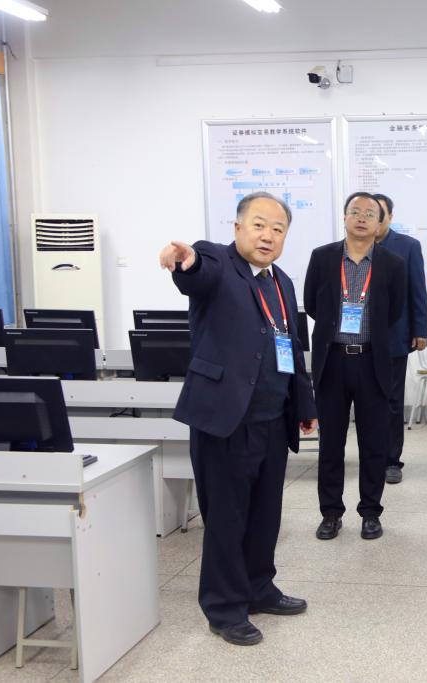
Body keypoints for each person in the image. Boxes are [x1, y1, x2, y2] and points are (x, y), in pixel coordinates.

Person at [158, 191, 317, 647]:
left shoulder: (282, 282)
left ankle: (259, 588)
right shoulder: (216, 261)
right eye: (259, 225)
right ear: (238, 228)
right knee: (227, 518)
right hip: (224, 418)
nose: (268, 236)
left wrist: (304, 405)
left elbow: (291, 348)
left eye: (278, 229)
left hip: (272, 418)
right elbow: (196, 273)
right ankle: (225, 608)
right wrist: (185, 262)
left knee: (266, 515)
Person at [304, 192, 406, 541]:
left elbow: (394, 311)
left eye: (369, 213)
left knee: (373, 443)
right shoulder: (322, 257)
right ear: (345, 217)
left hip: (371, 361)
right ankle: (331, 513)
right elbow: (312, 303)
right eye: (355, 211)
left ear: (380, 223)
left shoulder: (393, 264)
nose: (361, 218)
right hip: (332, 360)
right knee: (331, 444)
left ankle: (370, 512)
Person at [373, 193, 427, 485]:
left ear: (390, 217)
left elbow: (417, 290)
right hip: (359, 338)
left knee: (392, 400)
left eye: (379, 214)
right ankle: (371, 456)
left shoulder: (408, 246)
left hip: (395, 335)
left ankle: (392, 460)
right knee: (367, 399)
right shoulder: (353, 245)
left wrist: (420, 330)